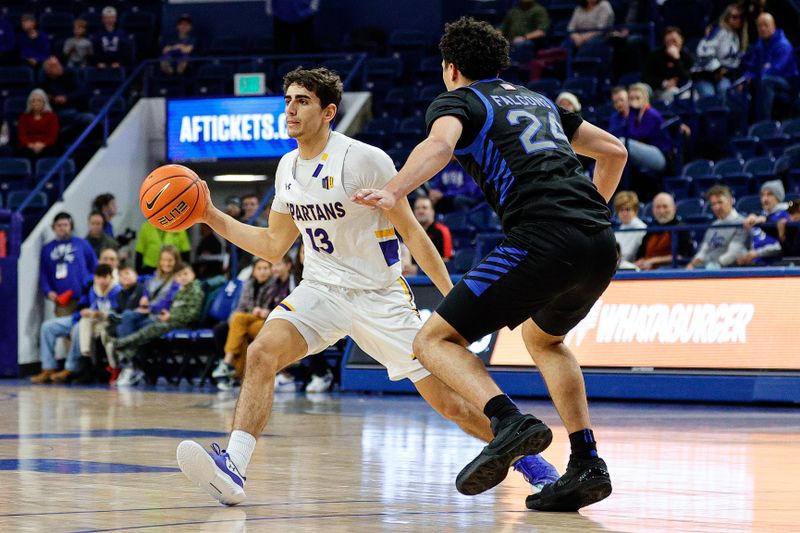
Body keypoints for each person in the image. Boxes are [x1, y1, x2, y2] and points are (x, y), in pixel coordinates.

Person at [176, 66, 559, 507]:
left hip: (379, 298)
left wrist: (455, 299)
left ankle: (537, 469)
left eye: (302, 101)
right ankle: (235, 468)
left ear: (329, 111)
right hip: (320, 290)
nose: (291, 110)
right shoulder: (286, 168)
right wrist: (209, 215)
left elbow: (415, 234)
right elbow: (272, 246)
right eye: (288, 101)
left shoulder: (363, 159)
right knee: (261, 353)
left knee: (451, 404)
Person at [353, 17, 627, 511]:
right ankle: (586, 461)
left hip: (542, 238)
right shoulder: (540, 101)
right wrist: (591, 214)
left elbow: (438, 146)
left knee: (432, 341)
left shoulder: (461, 100)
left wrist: (393, 190)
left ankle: (507, 421)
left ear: (451, 68)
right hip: (601, 243)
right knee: (544, 339)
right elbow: (614, 151)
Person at [115, 263, 204, 386]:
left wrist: (171, 316)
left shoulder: (195, 290)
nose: (183, 277)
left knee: (148, 329)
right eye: (179, 275)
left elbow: (192, 315)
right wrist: (167, 314)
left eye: (186, 274)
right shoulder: (181, 291)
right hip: (172, 320)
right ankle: (129, 359)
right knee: (137, 324)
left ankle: (121, 345)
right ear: (176, 279)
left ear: (193, 275)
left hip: (182, 324)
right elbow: (176, 309)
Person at [212, 257, 293, 391]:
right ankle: (239, 375)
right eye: (259, 269)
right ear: (253, 271)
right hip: (250, 319)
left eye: (266, 268)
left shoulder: (274, 284)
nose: (263, 272)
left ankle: (229, 364)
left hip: (266, 321)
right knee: (236, 326)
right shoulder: (248, 285)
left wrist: (261, 312)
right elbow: (240, 307)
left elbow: (273, 307)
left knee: (239, 324)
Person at [743, 12, 798, 120]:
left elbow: (776, 69)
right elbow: (753, 66)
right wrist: (746, 77)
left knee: (766, 80)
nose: (762, 28)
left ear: (773, 26)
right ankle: (744, 125)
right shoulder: (759, 44)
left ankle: (765, 122)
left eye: (765, 25)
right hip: (765, 78)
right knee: (742, 84)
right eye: (759, 25)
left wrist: (756, 75)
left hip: (787, 83)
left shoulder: (783, 45)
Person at [40, 212, 97, 317]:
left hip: (84, 296)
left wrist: (91, 284)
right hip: (62, 300)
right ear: (54, 227)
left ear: (71, 226)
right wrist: (47, 291)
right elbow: (44, 273)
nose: (62, 228)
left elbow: (94, 266)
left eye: (65, 225)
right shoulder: (47, 249)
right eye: (59, 225)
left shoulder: (82, 244)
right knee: (63, 330)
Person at [687, 185, 749, 269]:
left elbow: (734, 253)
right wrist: (692, 264)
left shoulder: (741, 223)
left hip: (729, 270)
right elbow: (703, 251)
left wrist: (713, 266)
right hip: (709, 268)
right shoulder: (713, 226)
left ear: (731, 201)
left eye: (720, 202)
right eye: (713, 204)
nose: (716, 207)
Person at [691, 4, 746, 98]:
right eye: (734, 17)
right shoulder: (717, 31)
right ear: (727, 17)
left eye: (740, 17)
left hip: (724, 76)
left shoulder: (737, 37)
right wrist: (718, 69)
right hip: (705, 75)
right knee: (709, 97)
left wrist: (728, 71)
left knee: (725, 93)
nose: (738, 20)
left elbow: (735, 61)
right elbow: (703, 52)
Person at [619, 83, 670, 174]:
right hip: (646, 152)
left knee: (622, 143)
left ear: (645, 98)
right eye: (631, 99)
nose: (634, 101)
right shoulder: (635, 114)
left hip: (661, 155)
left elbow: (636, 134)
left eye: (637, 98)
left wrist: (631, 113)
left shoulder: (652, 114)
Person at [634, 192, 694, 270]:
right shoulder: (650, 229)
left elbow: (681, 256)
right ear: (653, 210)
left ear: (674, 208)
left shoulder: (681, 229)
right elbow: (640, 255)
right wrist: (641, 262)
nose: (661, 211)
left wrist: (653, 261)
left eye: (665, 207)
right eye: (658, 207)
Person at [737, 179, 790, 265]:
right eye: (762, 195)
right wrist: (745, 256)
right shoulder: (758, 217)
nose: (765, 199)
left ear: (778, 196)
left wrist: (758, 253)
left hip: (776, 264)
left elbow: (785, 246)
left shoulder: (786, 215)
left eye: (770, 194)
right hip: (754, 264)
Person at [643, 26, 695, 103]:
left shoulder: (687, 57)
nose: (672, 45)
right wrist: (664, 83)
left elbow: (687, 78)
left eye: (674, 41)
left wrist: (677, 59)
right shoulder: (655, 55)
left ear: (681, 40)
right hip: (656, 89)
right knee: (641, 89)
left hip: (678, 90)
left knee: (675, 92)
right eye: (668, 42)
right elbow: (645, 77)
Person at [18, 89, 60, 161]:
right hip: (29, 146)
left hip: (47, 146)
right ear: (29, 103)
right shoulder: (24, 117)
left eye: (39, 100)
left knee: (53, 150)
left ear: (44, 103)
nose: (36, 103)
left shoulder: (52, 117)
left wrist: (42, 145)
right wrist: (31, 145)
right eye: (33, 101)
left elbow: (53, 136)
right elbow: (22, 135)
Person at [413, 196, 453, 262]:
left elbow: (447, 259)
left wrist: (418, 269)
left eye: (424, 208)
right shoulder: (411, 232)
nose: (420, 211)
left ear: (432, 211)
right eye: (417, 208)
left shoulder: (442, 230)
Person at [612, 190, 647, 262]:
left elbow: (628, 255)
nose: (624, 213)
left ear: (635, 210)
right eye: (621, 210)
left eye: (628, 209)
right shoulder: (618, 230)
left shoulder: (642, 228)